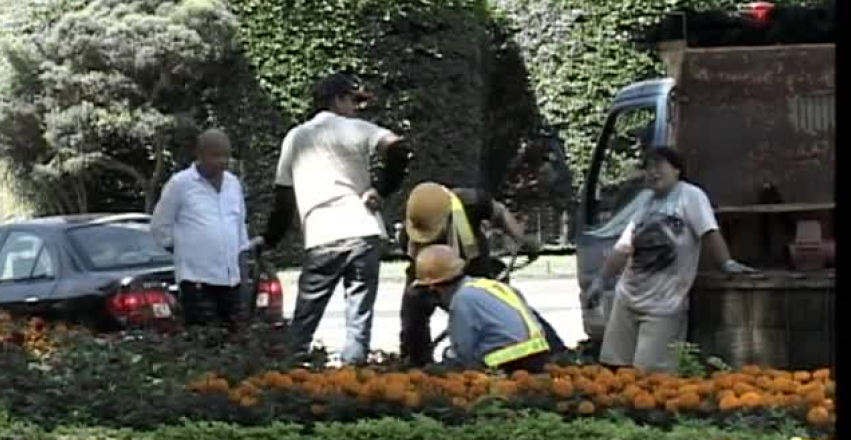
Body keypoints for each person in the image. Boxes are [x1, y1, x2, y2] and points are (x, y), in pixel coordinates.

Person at [255, 73, 411, 365]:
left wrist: (269, 240)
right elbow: (399, 148)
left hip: (322, 234)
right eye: (353, 101)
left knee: (305, 317)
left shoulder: (296, 137)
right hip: (363, 230)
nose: (356, 108)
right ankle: (355, 374)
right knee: (358, 319)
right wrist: (382, 189)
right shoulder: (357, 129)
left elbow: (284, 200)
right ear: (337, 100)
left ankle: (291, 371)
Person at [583, 146, 757, 372]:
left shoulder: (690, 196)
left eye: (658, 166)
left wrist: (727, 263)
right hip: (626, 299)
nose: (652, 172)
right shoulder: (646, 202)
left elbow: (709, 231)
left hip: (663, 305)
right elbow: (623, 247)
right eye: (648, 168)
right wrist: (600, 280)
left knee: (651, 376)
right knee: (615, 368)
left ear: (677, 169)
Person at [396, 181, 565, 366]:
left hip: (474, 267)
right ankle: (417, 363)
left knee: (501, 306)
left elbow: (499, 212)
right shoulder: (411, 231)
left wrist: (521, 239)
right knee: (413, 308)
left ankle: (556, 352)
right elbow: (418, 269)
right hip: (432, 272)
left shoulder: (469, 201)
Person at [150, 129, 256, 328]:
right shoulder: (180, 184)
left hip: (231, 282)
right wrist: (184, 251)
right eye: (216, 155)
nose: (222, 161)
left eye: (226, 156)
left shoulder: (233, 184)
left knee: (235, 338)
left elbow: (240, 229)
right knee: (205, 337)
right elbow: (159, 227)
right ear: (200, 154)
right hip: (197, 282)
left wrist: (243, 275)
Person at [413, 245, 556, 372]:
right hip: (541, 356)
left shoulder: (462, 299)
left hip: (508, 364)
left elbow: (463, 353)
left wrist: (445, 358)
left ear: (434, 287)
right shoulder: (491, 286)